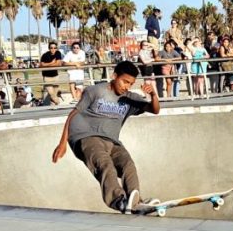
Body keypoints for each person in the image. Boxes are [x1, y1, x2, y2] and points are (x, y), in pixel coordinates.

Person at [51, 60, 161, 213]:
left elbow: (155, 110)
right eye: (124, 82)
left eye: (131, 83)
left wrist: (153, 95)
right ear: (114, 76)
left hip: (112, 141)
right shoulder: (95, 91)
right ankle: (118, 200)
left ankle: (135, 202)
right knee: (105, 164)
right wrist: (62, 143)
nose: (126, 87)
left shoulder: (129, 98)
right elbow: (73, 114)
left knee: (128, 164)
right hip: (87, 136)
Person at [39, 42, 64, 106]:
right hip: (47, 77)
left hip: (55, 76)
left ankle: (53, 107)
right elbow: (41, 65)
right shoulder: (45, 55)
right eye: (51, 48)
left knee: (54, 94)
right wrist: (52, 63)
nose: (53, 49)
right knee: (51, 94)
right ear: (49, 48)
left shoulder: (58, 53)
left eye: (55, 48)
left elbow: (58, 64)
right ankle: (59, 104)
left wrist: (47, 65)